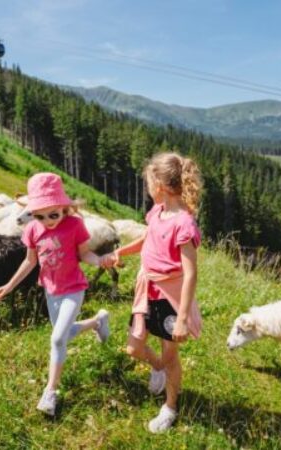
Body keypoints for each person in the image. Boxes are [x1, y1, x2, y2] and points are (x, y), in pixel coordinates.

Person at [101, 152, 204, 433]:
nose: (147, 187)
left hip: (170, 298)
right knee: (134, 347)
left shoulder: (184, 223)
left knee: (171, 356)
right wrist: (120, 251)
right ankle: (157, 367)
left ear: (159, 184)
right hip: (147, 290)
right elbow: (148, 238)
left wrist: (182, 318)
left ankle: (170, 406)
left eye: (148, 181)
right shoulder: (157, 213)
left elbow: (191, 272)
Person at [0, 172, 110, 416]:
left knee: (57, 339)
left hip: (73, 289)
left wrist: (100, 261)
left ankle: (50, 392)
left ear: (64, 207)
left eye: (53, 215)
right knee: (64, 335)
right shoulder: (33, 230)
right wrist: (8, 286)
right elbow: (29, 262)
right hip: (50, 289)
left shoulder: (75, 225)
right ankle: (98, 322)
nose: (47, 221)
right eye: (39, 215)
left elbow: (84, 254)